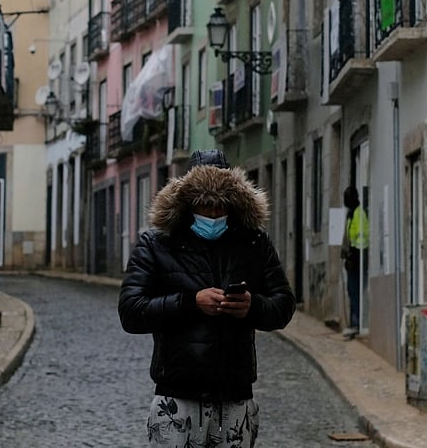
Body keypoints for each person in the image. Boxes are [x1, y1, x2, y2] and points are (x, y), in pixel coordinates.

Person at [119, 149, 296, 447]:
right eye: (204, 205)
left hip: (235, 397)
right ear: (187, 203)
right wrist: (190, 303)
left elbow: (284, 304)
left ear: (234, 203)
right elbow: (131, 312)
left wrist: (253, 307)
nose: (212, 215)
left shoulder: (253, 242)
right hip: (177, 397)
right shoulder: (156, 244)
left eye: (220, 206)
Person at [340, 186, 369, 337]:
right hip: (352, 258)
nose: (344, 200)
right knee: (352, 291)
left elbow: (362, 238)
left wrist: (353, 255)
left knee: (355, 291)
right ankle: (353, 322)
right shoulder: (351, 213)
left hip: (357, 259)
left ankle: (356, 323)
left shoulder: (358, 213)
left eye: (346, 197)